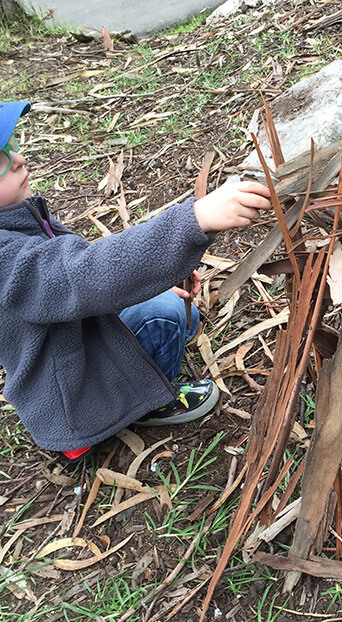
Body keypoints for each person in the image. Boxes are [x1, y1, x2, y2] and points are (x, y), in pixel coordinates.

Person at [0, 101, 272, 461]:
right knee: (166, 317)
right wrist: (194, 220)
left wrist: (155, 276)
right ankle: (135, 409)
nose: (19, 159)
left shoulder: (15, 219)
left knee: (178, 312)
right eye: (1, 160)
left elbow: (72, 287)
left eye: (12, 145)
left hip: (76, 353)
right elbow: (81, 275)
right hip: (73, 404)